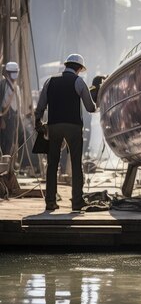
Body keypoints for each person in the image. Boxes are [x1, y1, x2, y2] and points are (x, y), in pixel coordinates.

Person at [35, 54, 97, 212]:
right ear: (79, 69)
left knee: (52, 164)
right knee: (76, 164)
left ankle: (50, 202)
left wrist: (38, 121)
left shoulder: (50, 81)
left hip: (53, 126)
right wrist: (97, 102)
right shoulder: (78, 81)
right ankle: (76, 202)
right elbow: (90, 108)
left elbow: (41, 105)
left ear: (66, 65)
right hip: (73, 127)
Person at [0, 62, 22, 157]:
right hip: (5, 117)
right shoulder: (3, 85)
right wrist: (1, 119)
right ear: (8, 73)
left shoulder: (16, 87)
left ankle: (9, 163)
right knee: (4, 141)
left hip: (13, 117)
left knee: (11, 140)